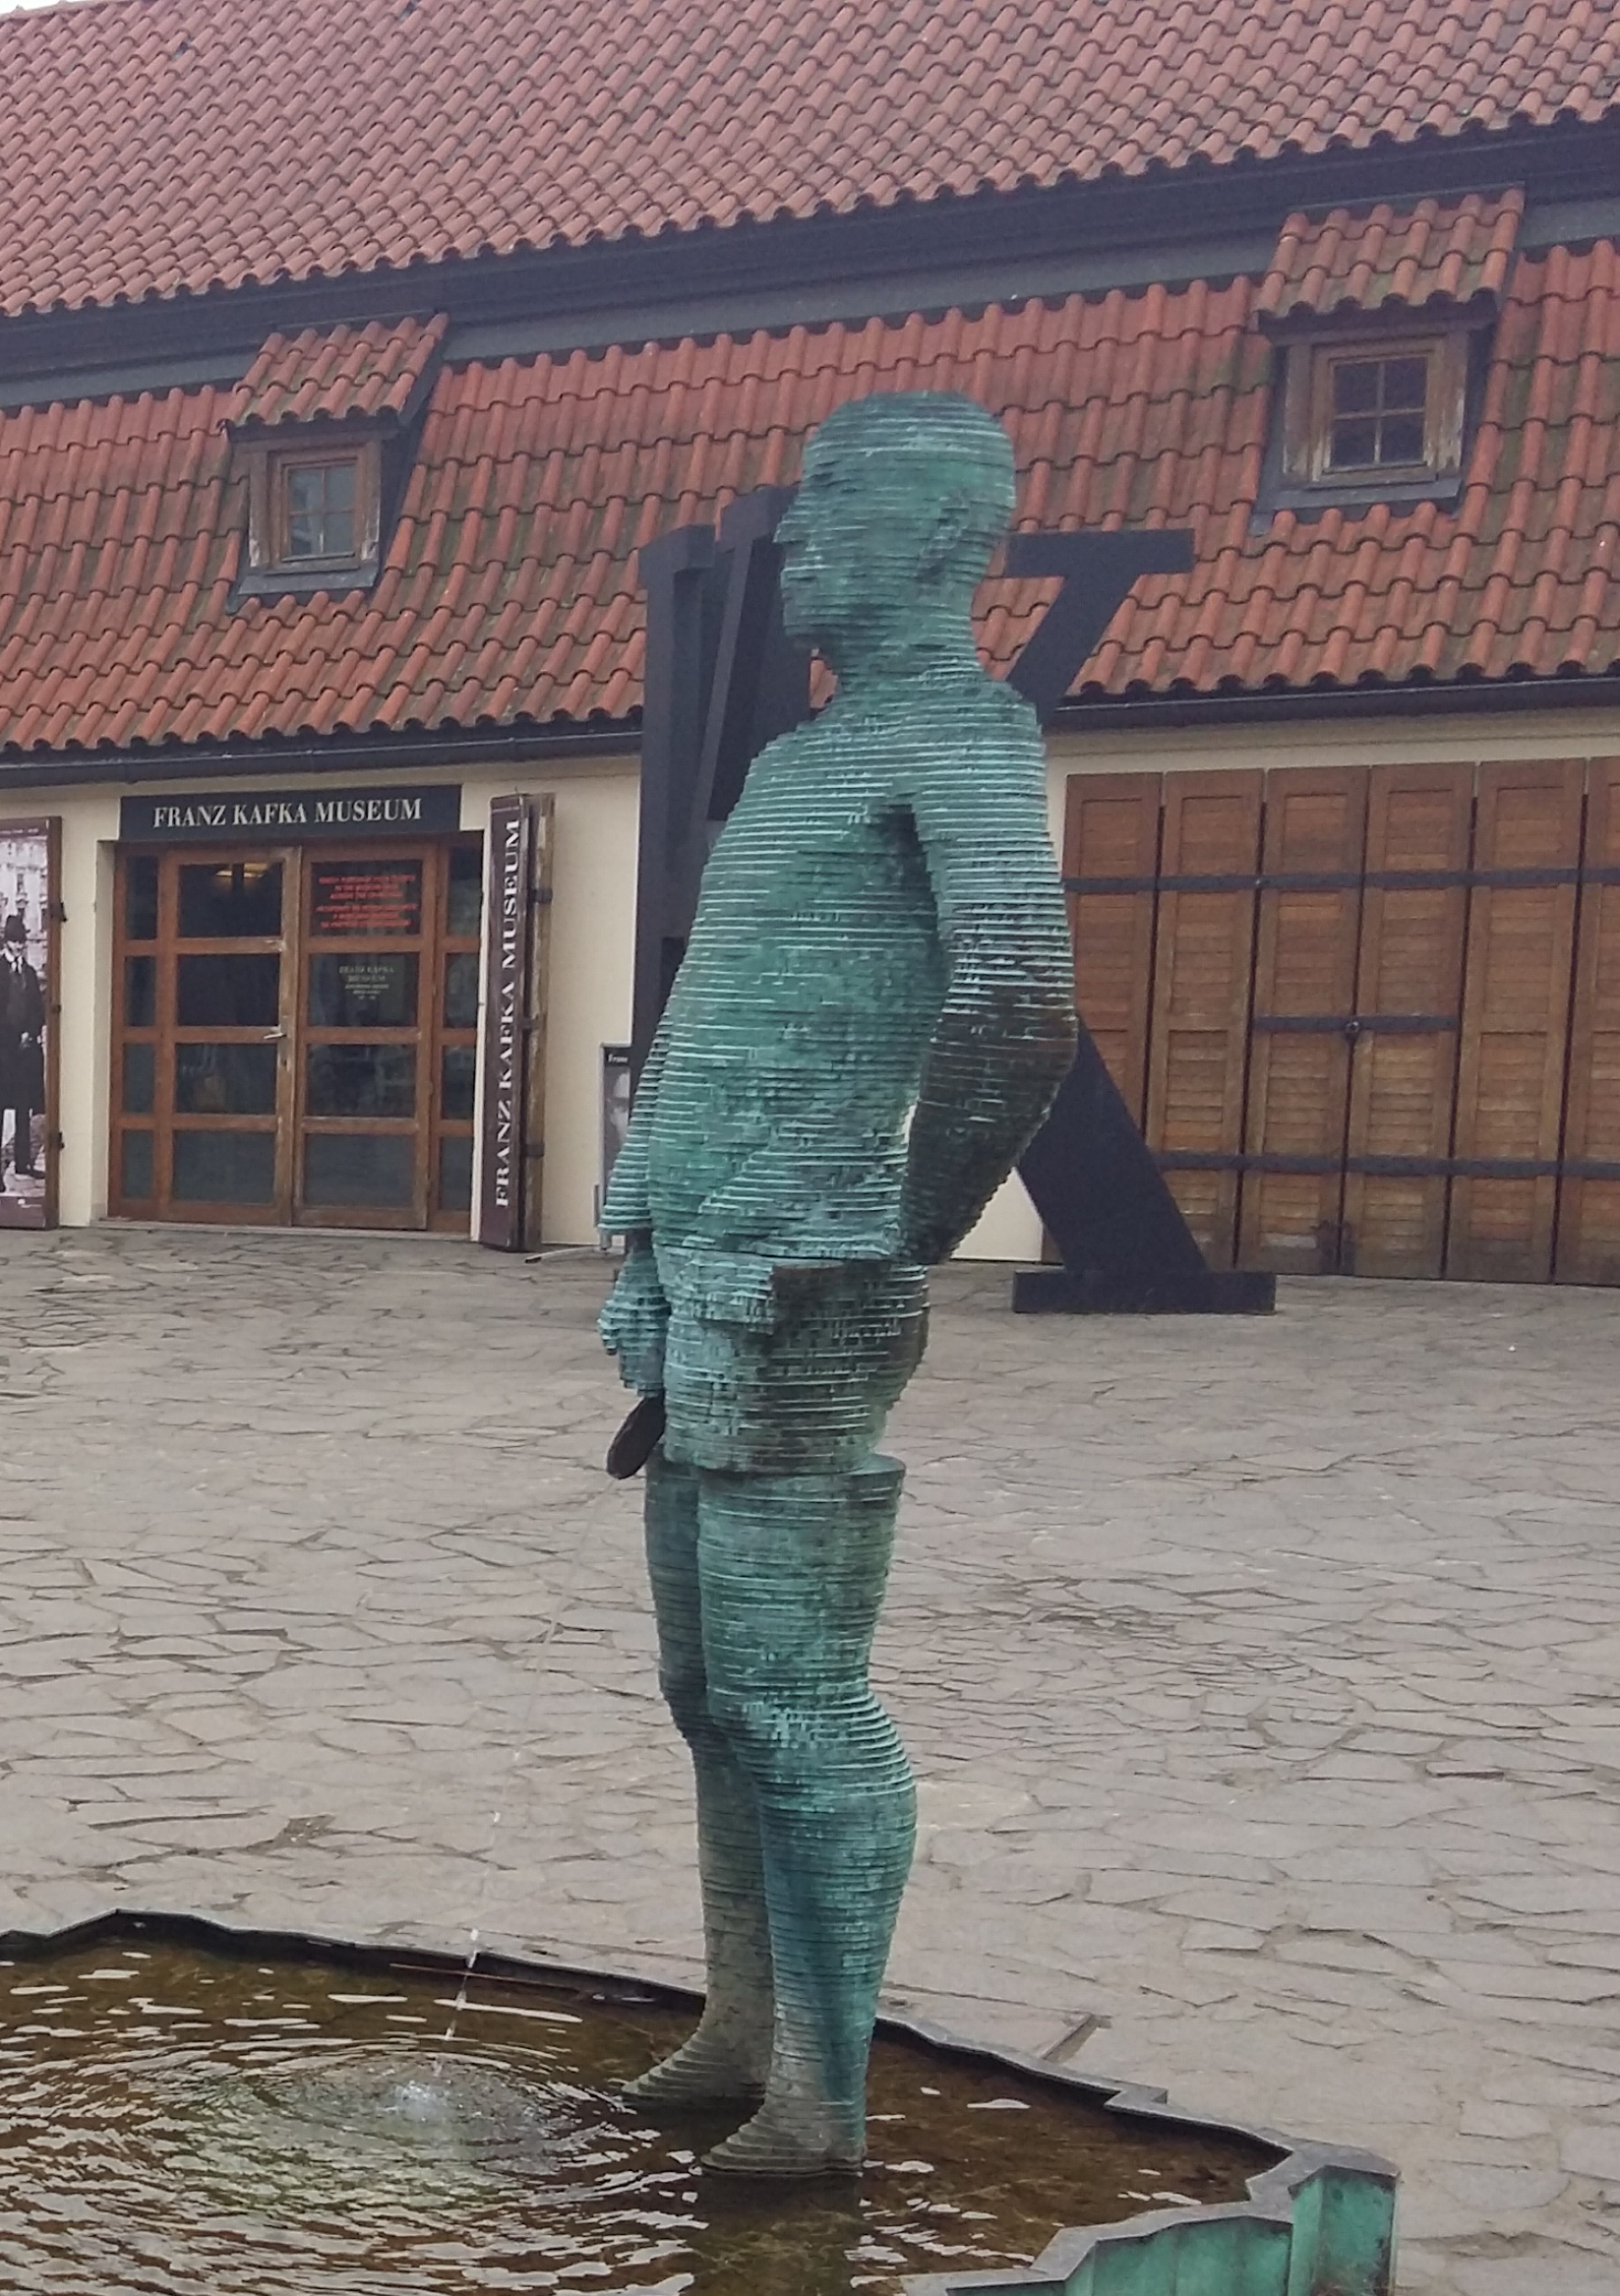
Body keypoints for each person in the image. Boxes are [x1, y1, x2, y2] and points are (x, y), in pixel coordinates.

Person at [594, 392, 1077, 2175]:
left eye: (830, 514)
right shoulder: (804, 762)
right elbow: (710, 1014)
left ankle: (827, 2092)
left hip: (806, 1283)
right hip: (703, 1272)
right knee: (705, 1691)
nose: (792, 546)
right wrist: (644, 1228)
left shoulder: (963, 736)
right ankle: (743, 2024)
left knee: (798, 1697)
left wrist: (895, 1233)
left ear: (944, 540)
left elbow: (1017, 1001)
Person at [0, 925, 49, 1195]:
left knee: (23, 1109)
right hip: (0, 1054)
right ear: (7, 942)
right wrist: (11, 1036)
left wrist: (29, 1033)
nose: (19, 946)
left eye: (22, 942)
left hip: (23, 1055)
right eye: (15, 942)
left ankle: (23, 1163)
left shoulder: (29, 973)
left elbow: (37, 1010)